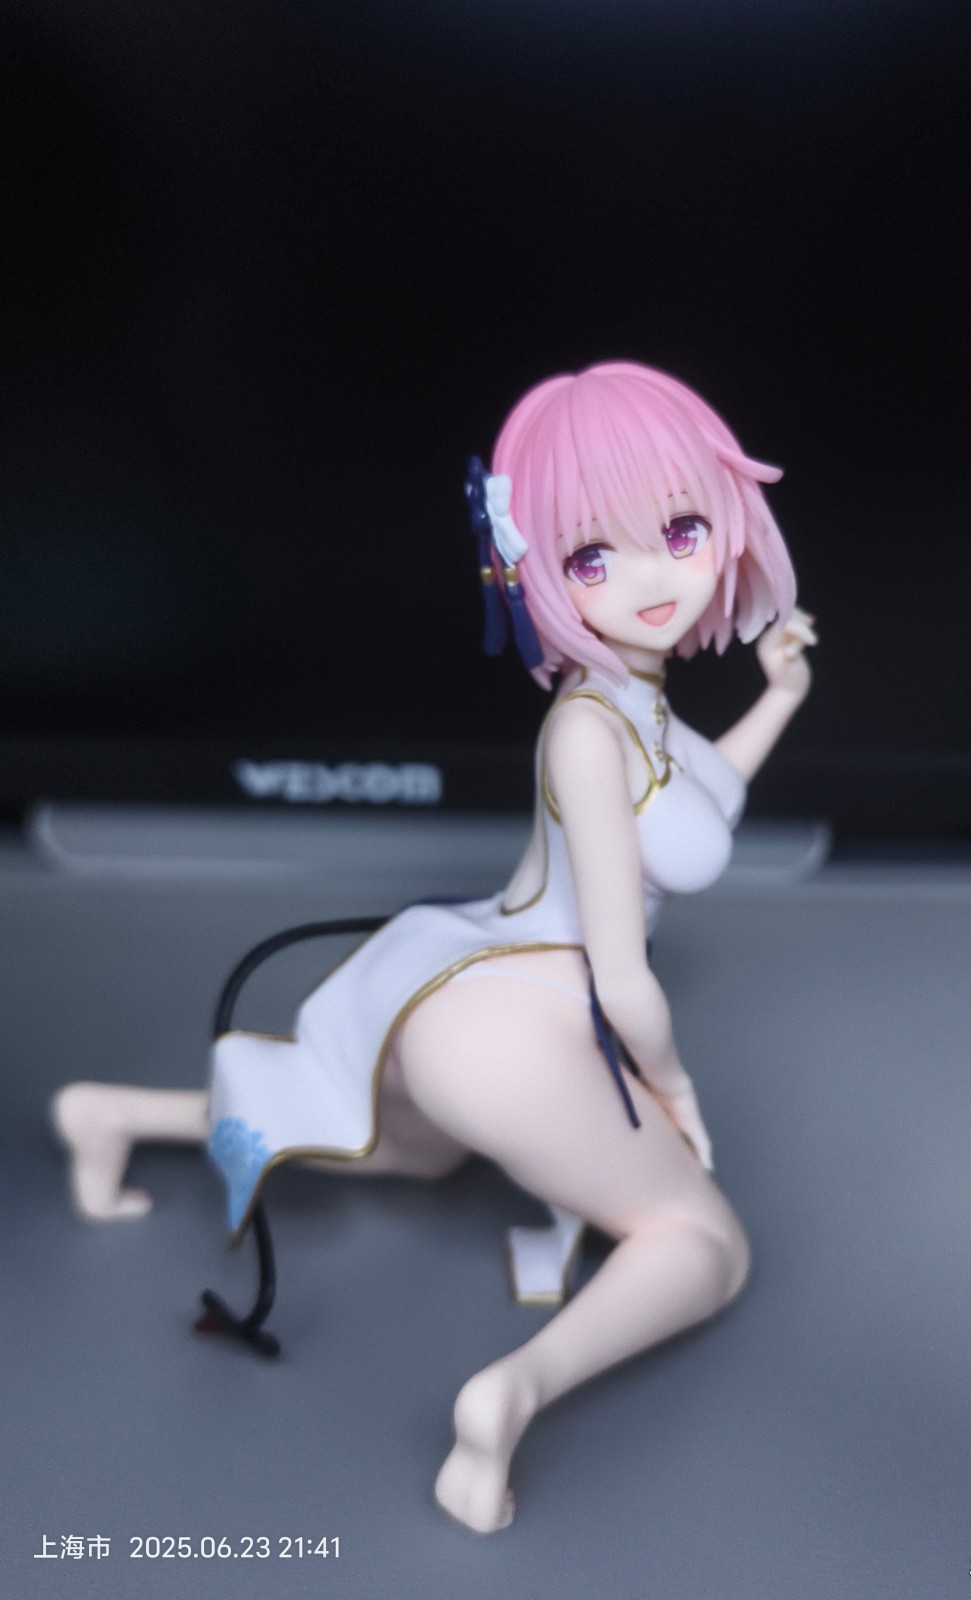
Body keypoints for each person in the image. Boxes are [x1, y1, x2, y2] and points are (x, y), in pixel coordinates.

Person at [52, 360, 816, 1533]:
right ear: (531, 567)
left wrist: (781, 695)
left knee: (408, 1153)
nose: (652, 579)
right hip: (521, 1011)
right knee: (705, 1241)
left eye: (679, 531)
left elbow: (701, 798)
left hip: (459, 981)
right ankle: (510, 1395)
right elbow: (623, 978)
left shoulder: (635, 694)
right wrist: (674, 1092)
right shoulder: (586, 731)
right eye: (592, 557)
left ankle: (116, 1116)